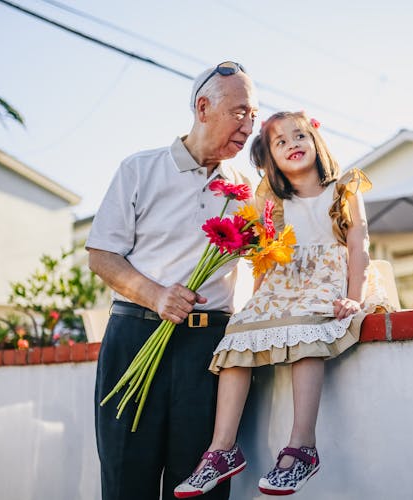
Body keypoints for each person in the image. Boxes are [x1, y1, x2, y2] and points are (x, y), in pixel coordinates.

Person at [174, 111, 392, 498]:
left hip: (328, 280)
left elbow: (359, 247)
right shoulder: (272, 200)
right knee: (237, 335)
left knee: (307, 329)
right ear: (270, 158)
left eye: (299, 136)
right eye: (281, 142)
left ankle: (302, 446)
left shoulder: (343, 188)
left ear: (316, 142)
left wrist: (354, 298)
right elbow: (265, 257)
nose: (292, 144)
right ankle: (222, 449)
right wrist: (256, 301)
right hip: (283, 284)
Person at [86, 61, 258, 500]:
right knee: (128, 480)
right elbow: (101, 254)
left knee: (200, 490)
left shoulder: (249, 189)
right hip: (136, 339)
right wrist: (156, 295)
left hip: (209, 353)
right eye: (240, 112)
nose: (249, 125)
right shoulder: (139, 169)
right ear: (203, 108)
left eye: (254, 115)